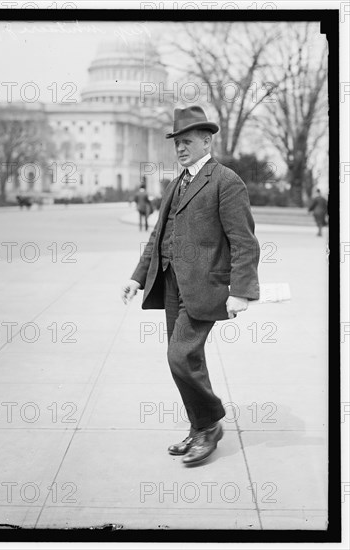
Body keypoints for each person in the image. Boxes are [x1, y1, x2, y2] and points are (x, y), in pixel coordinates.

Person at [121, 106, 260, 466]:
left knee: (179, 356)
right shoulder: (175, 183)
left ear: (206, 141)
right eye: (177, 143)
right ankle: (199, 428)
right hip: (170, 283)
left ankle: (210, 424)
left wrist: (241, 290)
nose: (180, 148)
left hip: (204, 287)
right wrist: (137, 277)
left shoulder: (226, 180)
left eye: (187, 142)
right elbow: (158, 234)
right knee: (187, 359)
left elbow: (244, 241)